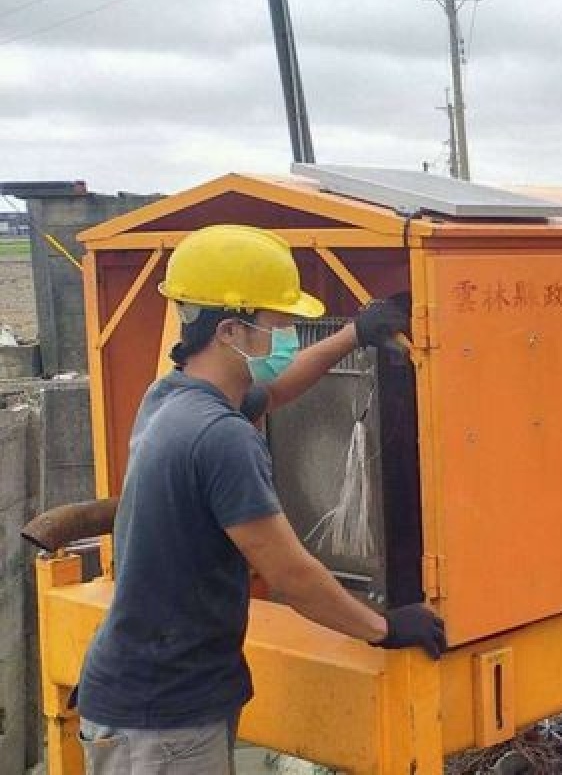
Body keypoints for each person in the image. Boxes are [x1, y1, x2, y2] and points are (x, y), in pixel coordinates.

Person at [75, 224, 445, 774]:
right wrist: (386, 628)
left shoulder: (172, 396)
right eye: (279, 324)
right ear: (230, 330)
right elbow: (291, 575)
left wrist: (354, 335)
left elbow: (274, 390)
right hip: (163, 720)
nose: (290, 334)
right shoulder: (220, 437)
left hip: (141, 692)